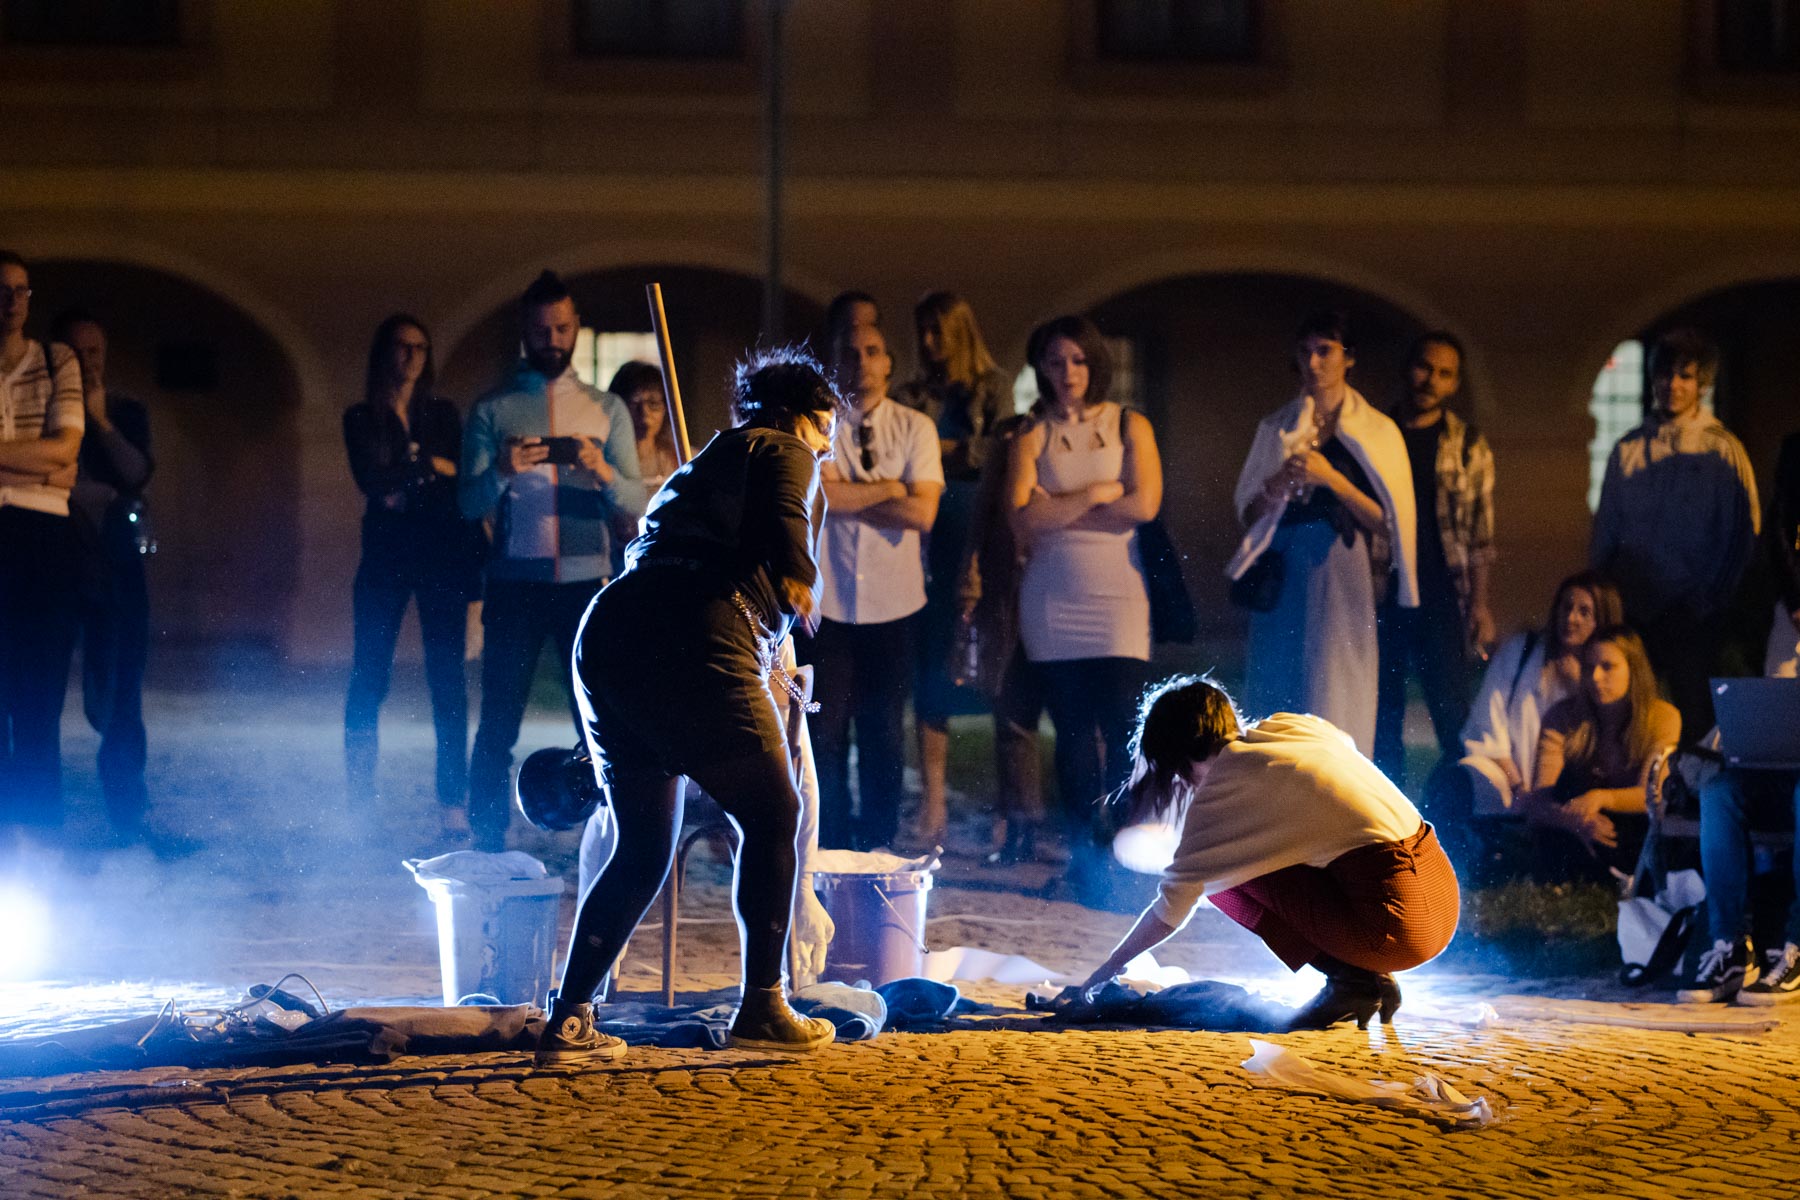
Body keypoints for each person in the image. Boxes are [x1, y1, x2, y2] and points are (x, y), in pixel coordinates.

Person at [535, 346, 844, 1062]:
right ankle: (764, 1008)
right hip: (699, 633)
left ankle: (570, 1017)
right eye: (828, 428)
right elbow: (785, 505)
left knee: (643, 845)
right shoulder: (782, 445)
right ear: (808, 414)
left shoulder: (699, 463)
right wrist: (798, 576)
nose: (829, 445)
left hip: (611, 632)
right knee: (775, 812)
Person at [1074, 675, 1460, 1030]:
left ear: (1179, 756)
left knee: (1223, 882)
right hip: (1441, 892)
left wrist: (1100, 976)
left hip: (1397, 926)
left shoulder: (1220, 794)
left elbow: (1169, 909)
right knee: (1256, 860)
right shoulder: (1295, 727)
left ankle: (1352, 979)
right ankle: (1361, 976)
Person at [460, 271, 646, 852]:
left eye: (562, 327)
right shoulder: (494, 408)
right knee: (498, 720)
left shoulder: (606, 408)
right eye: (541, 329)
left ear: (576, 329)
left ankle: (608, 832)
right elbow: (467, 501)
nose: (553, 338)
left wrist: (601, 471)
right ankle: (486, 835)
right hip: (515, 584)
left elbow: (639, 503)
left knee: (596, 721)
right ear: (525, 330)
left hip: (587, 586)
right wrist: (504, 471)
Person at [1007, 315, 1162, 898]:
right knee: (1071, 735)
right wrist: (1100, 493)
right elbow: (1021, 519)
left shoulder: (1129, 424)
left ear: (1095, 363)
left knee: (1126, 727)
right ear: (1040, 368)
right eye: (1054, 361)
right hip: (1051, 603)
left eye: (1077, 360)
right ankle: (1084, 860)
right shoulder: (1031, 433)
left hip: (1118, 601)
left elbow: (1144, 503)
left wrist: (1061, 506)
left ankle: (1129, 858)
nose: (1067, 372)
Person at [1230, 309, 1417, 757]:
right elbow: (1248, 510)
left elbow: (1390, 522)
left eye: (1325, 351)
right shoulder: (1277, 426)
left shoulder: (1376, 430)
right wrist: (1278, 484)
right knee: (1281, 682)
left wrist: (1332, 479)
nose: (1314, 363)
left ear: (1348, 358)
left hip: (1341, 565)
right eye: (1305, 351)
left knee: (1335, 682)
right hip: (1283, 564)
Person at [343, 315, 485, 840]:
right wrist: (429, 467)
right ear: (383, 354)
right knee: (369, 679)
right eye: (401, 347)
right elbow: (371, 482)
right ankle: (359, 801)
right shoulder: (360, 417)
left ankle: (452, 803)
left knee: (447, 685)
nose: (410, 357)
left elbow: (460, 477)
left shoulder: (442, 413)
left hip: (440, 557)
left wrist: (410, 471)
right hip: (383, 560)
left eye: (420, 348)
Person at [804, 323, 943, 850]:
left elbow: (923, 512)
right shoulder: (817, 427)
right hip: (828, 603)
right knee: (825, 735)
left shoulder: (915, 428)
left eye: (872, 352)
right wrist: (889, 487)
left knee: (884, 733)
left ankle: (878, 845)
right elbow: (819, 499)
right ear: (832, 363)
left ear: (888, 362)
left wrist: (848, 492)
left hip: (896, 603)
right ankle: (831, 846)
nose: (861, 362)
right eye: (849, 352)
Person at [1591, 327, 1759, 742]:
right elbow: (1607, 529)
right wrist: (1605, 596)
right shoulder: (1628, 449)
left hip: (1694, 612)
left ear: (1702, 384)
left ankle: (1694, 801)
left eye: (1685, 376)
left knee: (1694, 716)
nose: (1673, 385)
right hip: (1637, 609)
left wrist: (1711, 599)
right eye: (1665, 374)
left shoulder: (1722, 449)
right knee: (1632, 717)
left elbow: (1742, 532)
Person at [895, 292, 1012, 845]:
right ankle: (934, 801)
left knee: (993, 667)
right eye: (922, 331)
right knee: (932, 669)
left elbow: (999, 450)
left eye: (938, 331)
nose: (927, 342)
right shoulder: (912, 393)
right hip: (928, 537)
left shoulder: (992, 387)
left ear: (962, 331)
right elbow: (902, 453)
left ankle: (1005, 807)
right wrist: (953, 449)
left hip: (981, 531)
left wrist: (938, 446)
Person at [1427, 571, 1624, 877]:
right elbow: (1488, 722)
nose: (1570, 618)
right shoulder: (1524, 650)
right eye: (1565, 607)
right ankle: (1442, 868)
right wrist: (1519, 785)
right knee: (1453, 784)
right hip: (1507, 775)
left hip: (1566, 787)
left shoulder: (1605, 675)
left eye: (1584, 612)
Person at [50, 310, 157, 846]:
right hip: (50, 562)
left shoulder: (126, 410)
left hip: (115, 568)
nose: (87, 362)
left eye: (95, 352)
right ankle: (35, 821)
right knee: (38, 692)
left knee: (117, 696)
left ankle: (126, 816)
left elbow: (135, 472)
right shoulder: (38, 409)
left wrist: (101, 421)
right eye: (75, 351)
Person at [1374, 331, 1497, 787]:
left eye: (1444, 374)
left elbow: (1481, 534)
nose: (1430, 380)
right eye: (1425, 367)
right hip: (1383, 592)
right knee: (1382, 719)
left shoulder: (1467, 445)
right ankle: (1386, 830)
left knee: (1452, 718)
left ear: (1455, 384)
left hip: (1444, 595)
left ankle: (1456, 821)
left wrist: (1480, 604)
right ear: (1408, 367)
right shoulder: (1378, 434)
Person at [0, 251, 85, 845]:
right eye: (2, 290)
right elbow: (50, 459)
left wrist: (48, 461)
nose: (12, 302)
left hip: (43, 536)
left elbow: (64, 453)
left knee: (39, 698)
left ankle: (36, 841)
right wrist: (40, 461)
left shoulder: (57, 361)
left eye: (21, 291)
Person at [1514, 625, 1680, 882]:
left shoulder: (1661, 717)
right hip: (1575, 820)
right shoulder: (1562, 716)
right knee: (1563, 797)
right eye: (1589, 667)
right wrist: (1574, 821)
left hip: (1629, 822)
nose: (1596, 678)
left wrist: (1602, 798)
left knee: (1640, 829)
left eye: (1608, 667)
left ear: (1633, 670)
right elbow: (1540, 799)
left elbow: (1652, 794)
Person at [960, 409, 1048, 864]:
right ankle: (1019, 827)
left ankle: (1083, 833)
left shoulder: (1045, 475)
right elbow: (978, 546)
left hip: (1056, 609)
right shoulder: (993, 496)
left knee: (1077, 728)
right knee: (1012, 722)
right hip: (1005, 612)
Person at [609, 361, 679, 491]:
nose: (644, 413)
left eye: (653, 403)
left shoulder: (680, 458)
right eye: (634, 402)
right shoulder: (607, 460)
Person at [1764, 430, 1800, 679]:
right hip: (1795, 597)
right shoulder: (1796, 448)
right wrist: (1796, 600)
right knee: (1781, 683)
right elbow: (1780, 525)